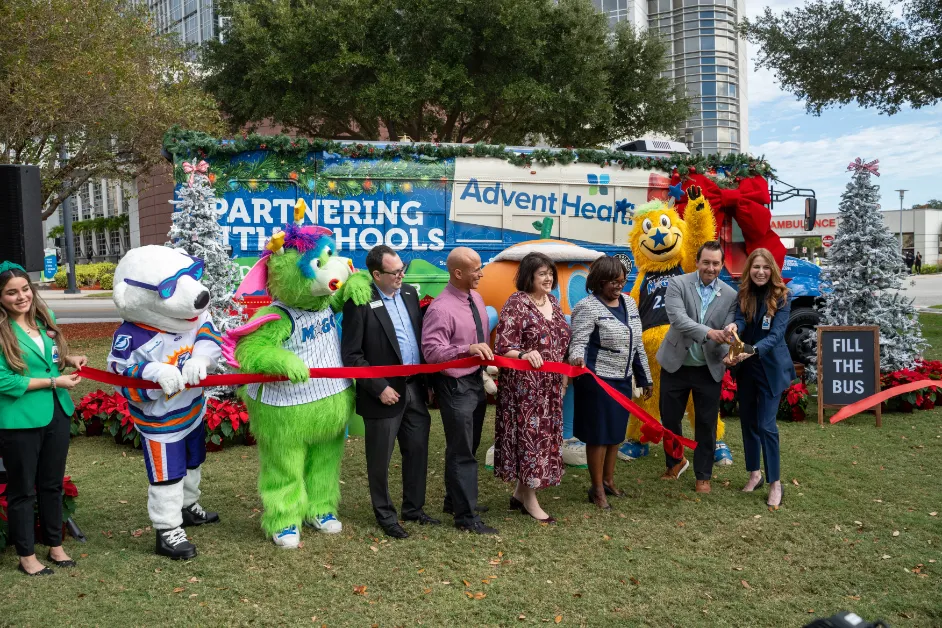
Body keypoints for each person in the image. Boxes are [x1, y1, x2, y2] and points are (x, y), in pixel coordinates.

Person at [341, 245, 439, 539]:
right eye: (394, 272)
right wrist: (379, 387)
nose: (401, 275)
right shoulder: (359, 302)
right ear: (376, 274)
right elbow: (352, 355)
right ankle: (385, 515)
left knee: (418, 450)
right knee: (380, 459)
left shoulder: (409, 293)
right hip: (383, 395)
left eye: (402, 269)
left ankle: (414, 508)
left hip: (414, 389)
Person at [0, 261, 86, 576]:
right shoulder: (1, 331)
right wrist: (54, 382)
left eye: (25, 289)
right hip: (19, 419)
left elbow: (47, 359)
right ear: (1, 297)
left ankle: (55, 545)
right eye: (11, 293)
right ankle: (26, 556)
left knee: (52, 484)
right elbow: (4, 381)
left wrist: (67, 359)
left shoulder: (43, 319)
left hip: (56, 413)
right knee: (22, 489)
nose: (21, 296)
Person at [422, 247, 497, 535]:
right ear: (458, 273)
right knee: (462, 450)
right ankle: (466, 518)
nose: (481, 273)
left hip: (475, 380)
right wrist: (467, 349)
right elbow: (431, 352)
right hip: (454, 385)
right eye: (476, 268)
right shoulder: (440, 308)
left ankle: (454, 502)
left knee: (470, 444)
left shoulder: (475, 298)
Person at [493, 252, 572, 524]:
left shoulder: (553, 302)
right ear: (529, 275)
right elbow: (503, 347)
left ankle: (519, 494)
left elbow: (561, 344)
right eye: (542, 273)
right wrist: (524, 354)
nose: (548, 277)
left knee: (544, 438)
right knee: (531, 440)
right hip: (524, 388)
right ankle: (530, 499)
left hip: (550, 386)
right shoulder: (516, 303)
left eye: (551, 272)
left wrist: (563, 377)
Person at [568, 256, 652, 510]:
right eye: (612, 282)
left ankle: (608, 480)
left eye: (621, 280)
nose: (618, 286)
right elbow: (578, 343)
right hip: (597, 382)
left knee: (615, 435)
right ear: (598, 282)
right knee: (599, 436)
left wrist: (645, 377)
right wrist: (577, 360)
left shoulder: (629, 302)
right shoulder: (587, 306)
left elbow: (637, 343)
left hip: (623, 380)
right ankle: (595, 489)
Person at [655, 241, 737, 494]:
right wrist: (710, 332)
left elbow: (730, 328)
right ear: (697, 261)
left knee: (705, 423)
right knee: (669, 421)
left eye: (715, 263)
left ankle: (703, 475)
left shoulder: (731, 295)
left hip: (708, 368)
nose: (710, 268)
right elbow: (678, 320)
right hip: (675, 365)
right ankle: (675, 462)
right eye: (706, 262)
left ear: (722, 265)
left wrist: (731, 334)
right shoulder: (678, 284)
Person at [725, 248, 795, 509]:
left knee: (766, 425)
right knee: (748, 423)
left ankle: (775, 482)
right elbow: (742, 321)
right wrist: (734, 327)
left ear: (772, 270)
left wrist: (753, 350)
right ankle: (755, 473)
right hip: (747, 368)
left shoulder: (783, 296)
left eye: (766, 267)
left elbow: (777, 335)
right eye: (756, 267)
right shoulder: (744, 293)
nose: (761, 272)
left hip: (770, 368)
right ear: (749, 270)